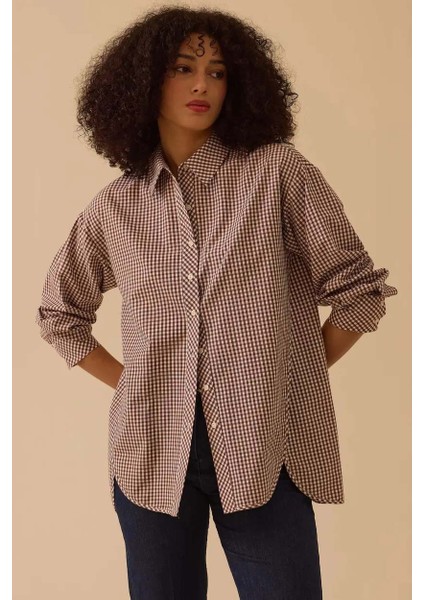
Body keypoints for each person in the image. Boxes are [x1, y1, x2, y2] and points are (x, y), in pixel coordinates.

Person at [35, 6, 398, 599]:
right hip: (150, 452)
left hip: (263, 448)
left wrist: (283, 372)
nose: (202, 84)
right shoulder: (114, 207)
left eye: (218, 72)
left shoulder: (277, 174)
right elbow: (59, 315)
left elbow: (360, 292)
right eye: (183, 68)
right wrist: (135, 383)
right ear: (144, 81)